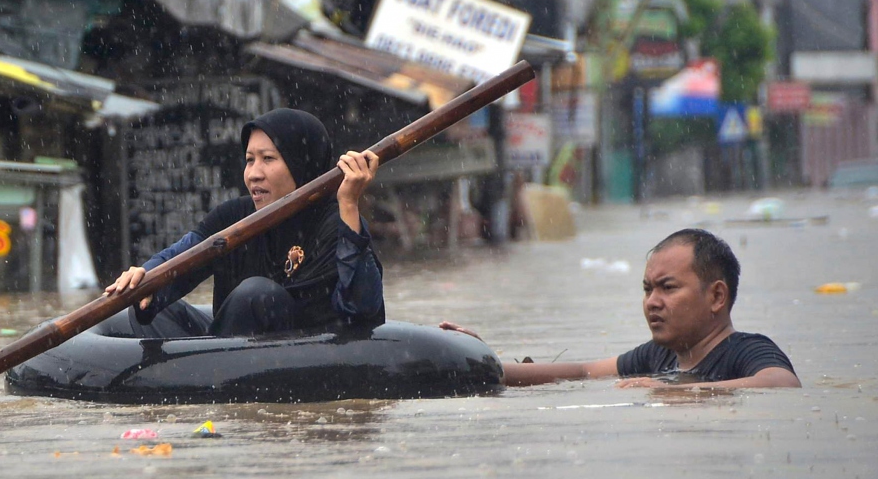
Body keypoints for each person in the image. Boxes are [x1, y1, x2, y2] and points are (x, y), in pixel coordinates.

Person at [105, 108, 384, 337]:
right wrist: (147, 276)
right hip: (227, 349)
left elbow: (360, 309)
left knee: (256, 295)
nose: (253, 174)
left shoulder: (334, 220)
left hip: (300, 354)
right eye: (250, 160)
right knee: (154, 301)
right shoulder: (234, 216)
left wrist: (349, 203)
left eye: (268, 159)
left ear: (301, 163)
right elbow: (182, 256)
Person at [441, 228, 800, 389]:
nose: (652, 302)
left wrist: (675, 390)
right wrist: (483, 360)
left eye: (668, 288)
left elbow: (782, 383)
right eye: (647, 289)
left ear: (717, 297)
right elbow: (583, 371)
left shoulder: (746, 350)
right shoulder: (660, 358)